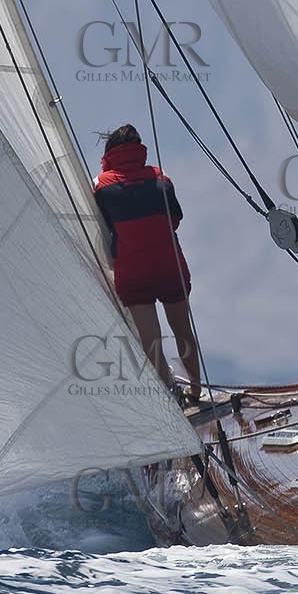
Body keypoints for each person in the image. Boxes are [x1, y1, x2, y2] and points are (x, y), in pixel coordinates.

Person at [93, 125, 201, 404]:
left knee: (151, 340)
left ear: (110, 152)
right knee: (182, 329)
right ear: (139, 149)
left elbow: (102, 229)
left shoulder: (102, 185)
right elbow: (175, 219)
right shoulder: (161, 178)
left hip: (133, 271)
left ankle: (171, 398)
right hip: (169, 265)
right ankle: (196, 389)